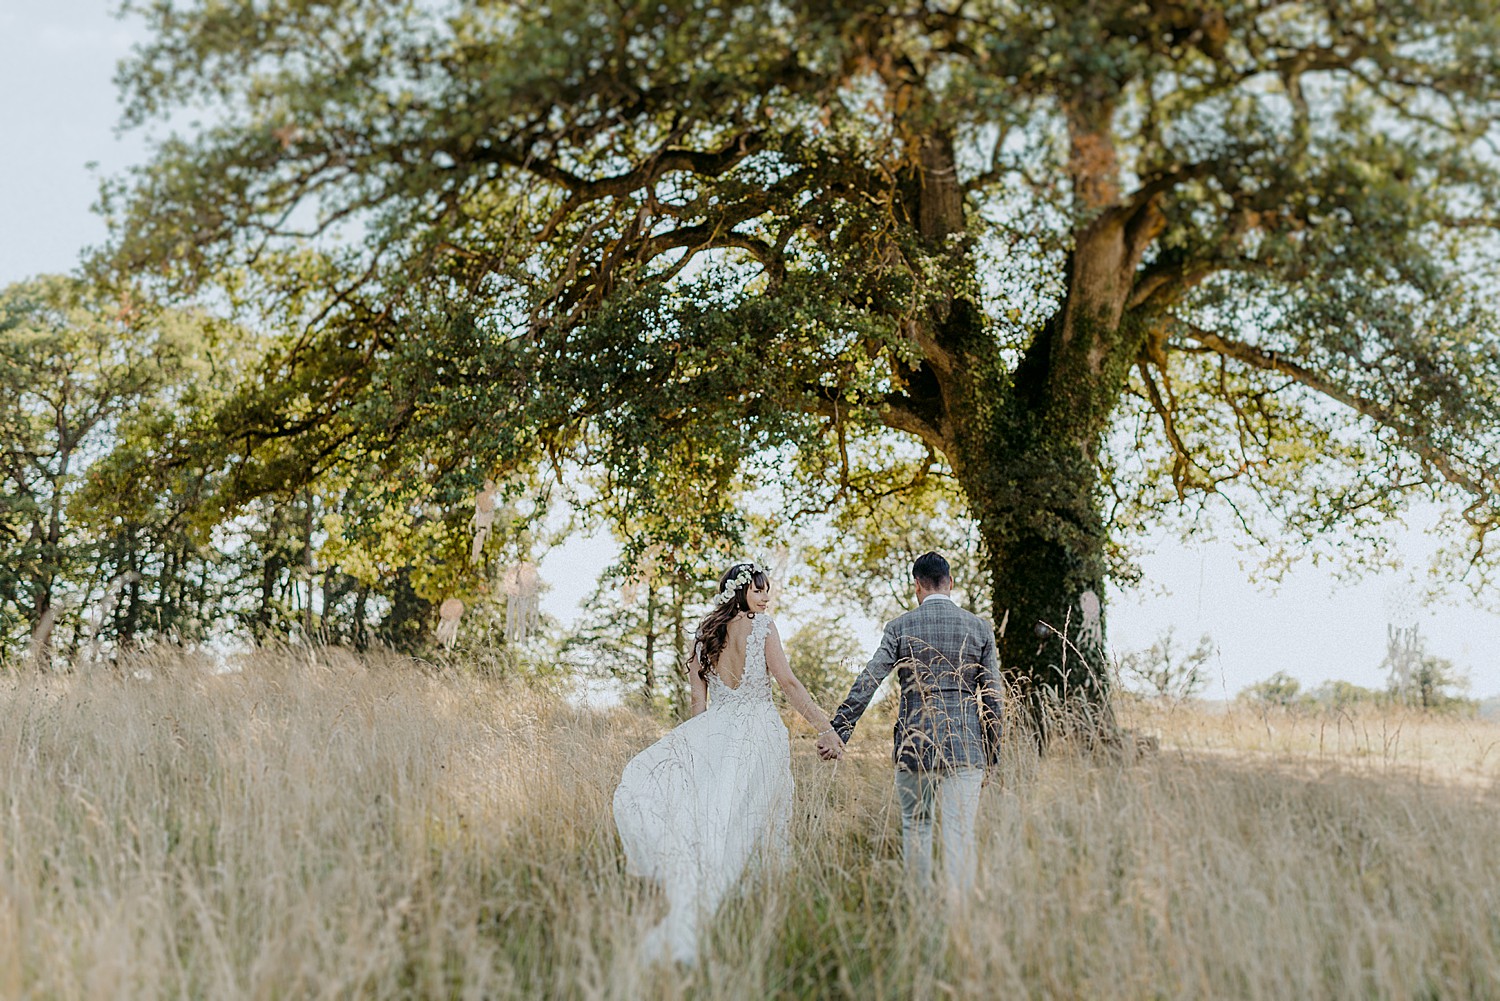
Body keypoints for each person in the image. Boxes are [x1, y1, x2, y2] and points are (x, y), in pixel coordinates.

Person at [613, 561, 841, 966]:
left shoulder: (705, 636)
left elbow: (698, 706)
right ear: (740, 591)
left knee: (717, 815)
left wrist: (697, 750)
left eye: (766, 590)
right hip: (759, 734)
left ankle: (714, 901)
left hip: (715, 734)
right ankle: (747, 901)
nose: (765, 597)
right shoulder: (763, 628)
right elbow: (788, 682)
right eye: (758, 589)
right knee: (754, 817)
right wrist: (825, 727)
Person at [817, 551, 1002, 899]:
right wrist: (992, 754)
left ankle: (919, 906)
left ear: (917, 585)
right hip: (966, 747)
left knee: (916, 826)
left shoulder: (900, 627)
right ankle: (959, 914)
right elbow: (993, 698)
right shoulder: (979, 628)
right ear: (950, 582)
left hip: (914, 745)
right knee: (960, 832)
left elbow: (870, 679)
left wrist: (839, 729)